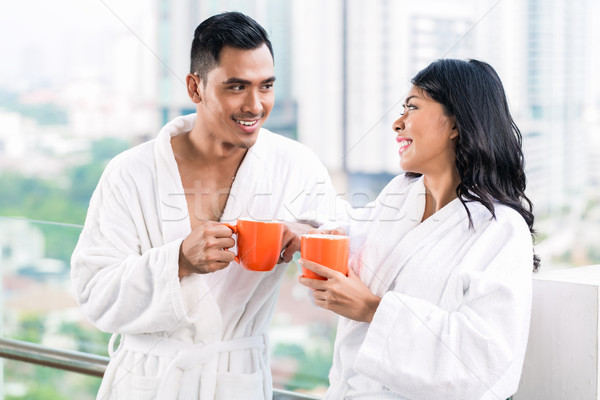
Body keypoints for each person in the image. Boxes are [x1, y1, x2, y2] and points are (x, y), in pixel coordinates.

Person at [71, 12, 341, 400]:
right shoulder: (130, 172)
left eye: (266, 86)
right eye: (236, 87)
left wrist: (309, 235)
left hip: (237, 381)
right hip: (148, 383)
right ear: (194, 87)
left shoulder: (296, 166)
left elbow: (349, 255)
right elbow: (96, 295)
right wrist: (178, 261)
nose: (255, 105)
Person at [299, 59, 539, 399]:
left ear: (455, 123)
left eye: (412, 108)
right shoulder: (399, 194)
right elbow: (354, 238)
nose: (397, 123)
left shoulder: (500, 229)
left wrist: (372, 310)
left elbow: (484, 361)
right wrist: (309, 238)